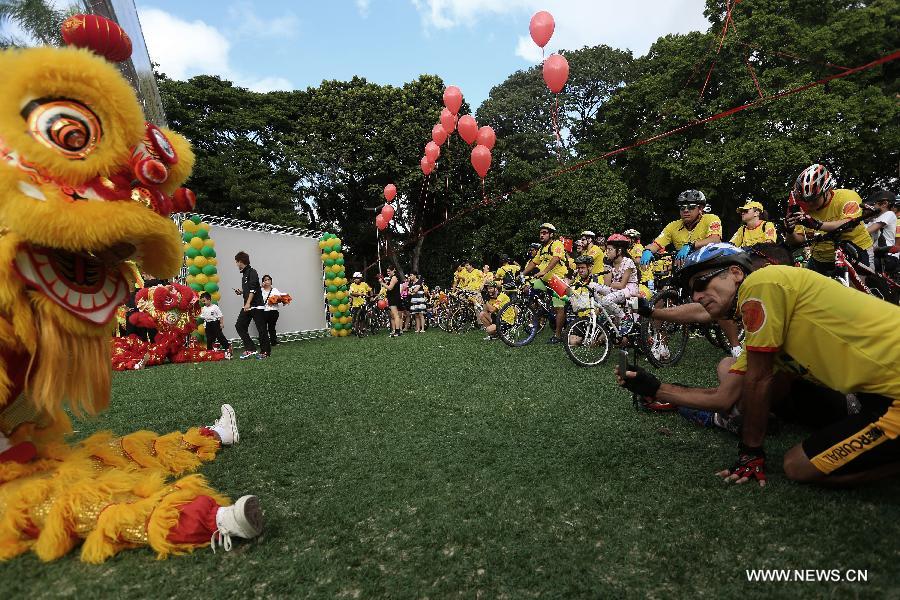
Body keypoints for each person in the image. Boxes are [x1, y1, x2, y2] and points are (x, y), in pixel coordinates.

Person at [630, 243, 900, 487]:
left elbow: (758, 380)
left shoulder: (762, 283)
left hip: (891, 392)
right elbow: (725, 397)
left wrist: (751, 451)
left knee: (796, 467)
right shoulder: (765, 327)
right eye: (691, 292)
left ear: (736, 272)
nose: (697, 296)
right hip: (877, 391)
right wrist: (654, 387)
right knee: (733, 370)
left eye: (701, 283)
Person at [785, 164, 874, 273]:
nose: (809, 203)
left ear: (827, 191)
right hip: (820, 258)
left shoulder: (847, 196)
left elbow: (849, 225)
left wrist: (817, 224)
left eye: (814, 199)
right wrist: (789, 230)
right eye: (805, 200)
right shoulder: (801, 207)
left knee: (856, 288)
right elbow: (796, 240)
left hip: (856, 251)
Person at [521, 223, 569, 344]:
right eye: (541, 233)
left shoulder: (556, 244)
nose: (541, 235)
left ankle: (558, 335)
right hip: (545, 280)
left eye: (544, 233)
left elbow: (556, 259)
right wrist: (522, 273)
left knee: (559, 307)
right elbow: (533, 262)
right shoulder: (542, 248)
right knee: (528, 288)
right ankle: (541, 310)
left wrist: (544, 271)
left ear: (551, 234)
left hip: (557, 279)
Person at [589, 233, 639, 335]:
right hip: (618, 290)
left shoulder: (628, 262)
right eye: (606, 249)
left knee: (606, 299)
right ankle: (602, 312)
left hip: (629, 289)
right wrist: (607, 266)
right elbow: (607, 284)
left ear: (619, 251)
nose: (607, 252)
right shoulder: (610, 263)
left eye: (610, 249)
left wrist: (611, 285)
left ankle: (625, 318)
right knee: (591, 286)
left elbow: (622, 285)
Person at [232, 251, 270, 360]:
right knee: (239, 325)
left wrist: (248, 303)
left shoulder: (252, 272)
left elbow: (253, 289)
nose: (236, 264)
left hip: (256, 306)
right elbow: (249, 290)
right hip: (248, 306)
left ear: (241, 261)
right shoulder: (244, 275)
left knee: (261, 329)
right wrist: (242, 292)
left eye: (237, 262)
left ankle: (265, 352)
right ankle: (251, 348)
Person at [865, 189, 898, 273]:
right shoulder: (874, 220)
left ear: (884, 204)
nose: (871, 207)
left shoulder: (889, 214)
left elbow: (866, 232)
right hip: (877, 255)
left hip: (887, 257)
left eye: (873, 204)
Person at [199, 292, 233, 359]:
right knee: (209, 338)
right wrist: (198, 316)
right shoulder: (204, 308)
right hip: (208, 324)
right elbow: (203, 316)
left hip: (215, 323)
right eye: (202, 301)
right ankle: (210, 351)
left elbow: (221, 316)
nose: (204, 302)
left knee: (219, 336)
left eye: (204, 301)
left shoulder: (215, 307)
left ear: (209, 300)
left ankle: (228, 347)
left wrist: (221, 323)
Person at [257, 274, 285, 350]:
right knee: (263, 328)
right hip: (264, 311)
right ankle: (264, 342)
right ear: (263, 282)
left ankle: (274, 342)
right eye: (265, 280)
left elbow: (281, 298)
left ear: (271, 281)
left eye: (268, 279)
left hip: (273, 311)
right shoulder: (260, 290)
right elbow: (255, 295)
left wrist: (278, 300)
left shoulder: (275, 290)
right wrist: (261, 286)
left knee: (272, 327)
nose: (267, 281)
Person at [384, 265, 403, 337]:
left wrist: (382, 283)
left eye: (389, 271)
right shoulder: (391, 278)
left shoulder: (394, 277)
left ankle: (397, 331)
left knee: (395, 315)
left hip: (394, 298)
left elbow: (390, 288)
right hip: (393, 297)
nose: (388, 272)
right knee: (395, 315)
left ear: (393, 270)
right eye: (387, 271)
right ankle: (396, 331)